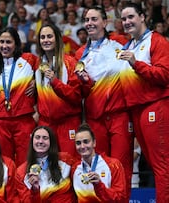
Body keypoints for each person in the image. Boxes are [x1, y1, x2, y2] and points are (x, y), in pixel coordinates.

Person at [75, 6, 133, 200]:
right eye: (87, 20)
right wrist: (84, 83)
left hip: (119, 115)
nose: (89, 23)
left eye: (94, 19)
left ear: (105, 22)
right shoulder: (80, 55)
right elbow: (79, 92)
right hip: (94, 118)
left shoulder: (121, 43)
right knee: (96, 168)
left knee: (121, 167)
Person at [119, 3, 169, 202]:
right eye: (123, 19)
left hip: (154, 106)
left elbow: (164, 75)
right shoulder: (128, 45)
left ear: (142, 17)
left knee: (162, 164)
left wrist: (135, 63)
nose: (127, 22)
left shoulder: (156, 41)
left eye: (131, 17)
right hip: (136, 110)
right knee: (154, 163)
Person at [35, 24, 83, 159]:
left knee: (70, 164)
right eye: (42, 37)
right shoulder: (38, 65)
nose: (46, 40)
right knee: (46, 166)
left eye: (49, 36)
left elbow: (76, 97)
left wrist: (55, 82)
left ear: (57, 39)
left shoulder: (70, 62)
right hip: (46, 124)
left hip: (67, 123)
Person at [0, 27, 37, 165]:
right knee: (4, 161)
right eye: (1, 42)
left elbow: (48, 67)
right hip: (0, 119)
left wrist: (37, 80)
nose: (4, 46)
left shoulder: (29, 59)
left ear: (16, 44)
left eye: (8, 42)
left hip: (23, 118)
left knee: (26, 160)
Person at [16, 126, 77, 202]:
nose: (41, 141)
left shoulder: (66, 160)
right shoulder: (21, 173)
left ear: (51, 142)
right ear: (32, 141)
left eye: (45, 138)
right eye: (37, 137)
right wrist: (35, 190)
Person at [72, 123, 126, 202]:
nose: (82, 146)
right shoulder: (74, 168)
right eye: (78, 143)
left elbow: (120, 198)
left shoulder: (113, 165)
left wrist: (99, 185)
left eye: (86, 141)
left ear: (94, 143)